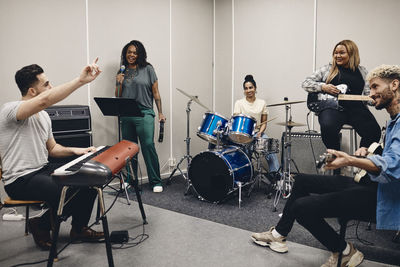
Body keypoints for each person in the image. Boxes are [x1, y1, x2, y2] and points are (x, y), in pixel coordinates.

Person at [251, 65, 400, 267]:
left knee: (301, 208)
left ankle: (344, 251)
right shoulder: (393, 121)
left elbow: (392, 166)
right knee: (302, 181)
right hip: (372, 184)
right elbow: (389, 154)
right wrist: (368, 151)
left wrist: (349, 160)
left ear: (395, 84)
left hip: (384, 196)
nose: (371, 94)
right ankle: (278, 234)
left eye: (375, 87)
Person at [0, 60, 103, 251]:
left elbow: (53, 149)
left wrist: (77, 151)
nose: (51, 87)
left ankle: (78, 229)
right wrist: (81, 81)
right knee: (64, 192)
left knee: (88, 182)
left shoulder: (44, 116)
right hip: (20, 179)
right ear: (32, 91)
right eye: (46, 84)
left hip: (42, 170)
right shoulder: (10, 110)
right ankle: (41, 225)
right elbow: (44, 100)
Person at [302, 40, 380, 153]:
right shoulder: (327, 69)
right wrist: (323, 87)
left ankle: (362, 158)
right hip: (332, 108)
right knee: (328, 126)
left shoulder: (363, 71)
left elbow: (368, 95)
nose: (337, 56)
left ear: (352, 54)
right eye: (335, 53)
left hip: (356, 109)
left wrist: (375, 100)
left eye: (342, 53)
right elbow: (305, 83)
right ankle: (336, 156)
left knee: (374, 131)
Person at [115, 40, 165, 193]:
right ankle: (130, 180)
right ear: (125, 53)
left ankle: (156, 181)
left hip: (144, 112)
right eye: (129, 52)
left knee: (148, 145)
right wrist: (119, 83)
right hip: (127, 113)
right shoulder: (121, 71)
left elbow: (156, 93)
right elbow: (117, 96)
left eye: (135, 52)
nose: (131, 55)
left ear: (140, 54)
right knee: (129, 149)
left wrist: (160, 112)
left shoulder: (148, 69)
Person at [233, 74, 280, 176]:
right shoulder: (239, 103)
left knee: (270, 148)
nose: (249, 90)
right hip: (243, 135)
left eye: (251, 87)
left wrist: (260, 132)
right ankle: (245, 176)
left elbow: (264, 123)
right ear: (244, 90)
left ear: (255, 88)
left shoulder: (262, 103)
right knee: (243, 154)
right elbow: (236, 121)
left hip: (258, 133)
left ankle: (276, 177)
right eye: (246, 88)